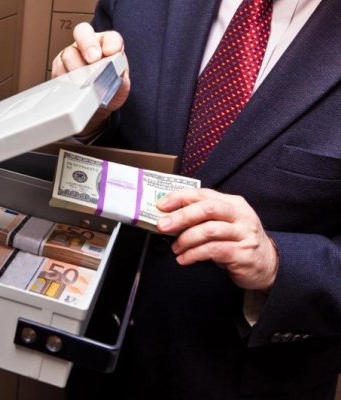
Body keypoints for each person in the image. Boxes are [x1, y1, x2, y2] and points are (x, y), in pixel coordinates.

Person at [52, 0, 341, 399]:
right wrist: (89, 114)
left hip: (249, 375)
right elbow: (104, 137)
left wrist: (276, 262)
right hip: (105, 350)